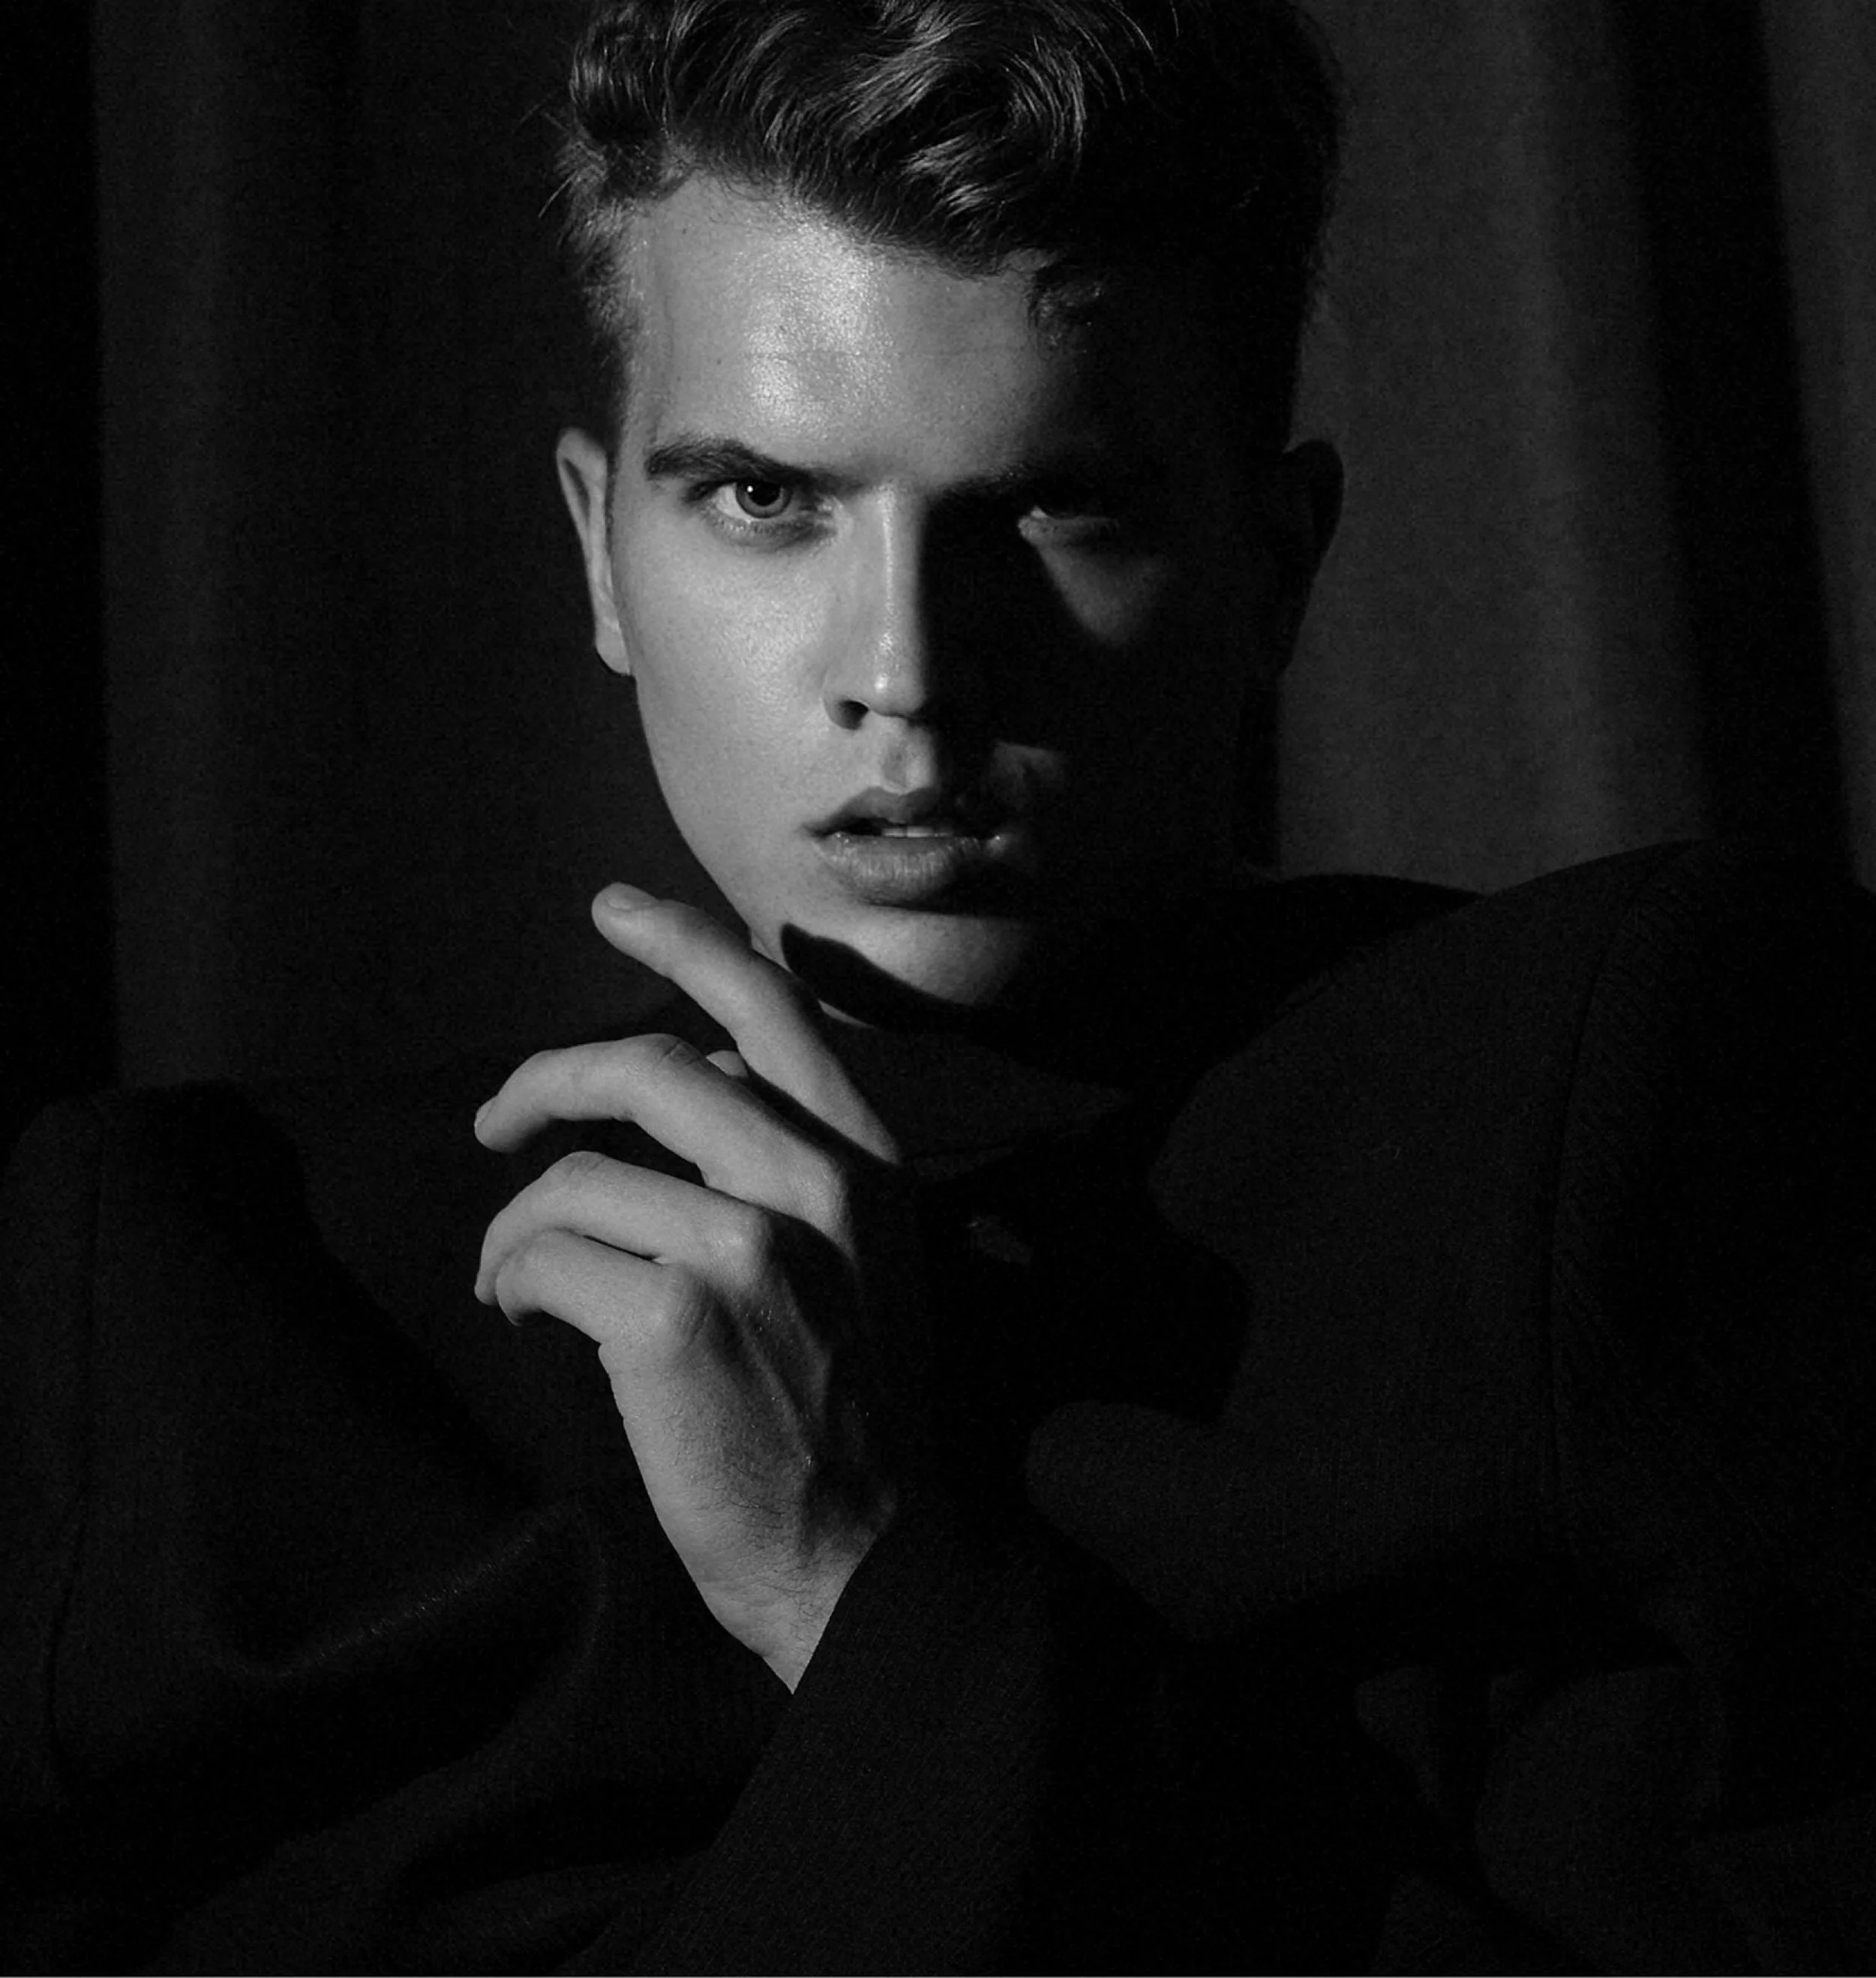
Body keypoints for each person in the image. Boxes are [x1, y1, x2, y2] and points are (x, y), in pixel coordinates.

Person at [5, 1, 1875, 1970]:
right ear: (600, 552)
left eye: (1059, 507)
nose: (905, 670)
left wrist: (863, 1590)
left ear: (1277, 560)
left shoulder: (1613, 1123)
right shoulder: (215, 1295)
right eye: (766, 499)